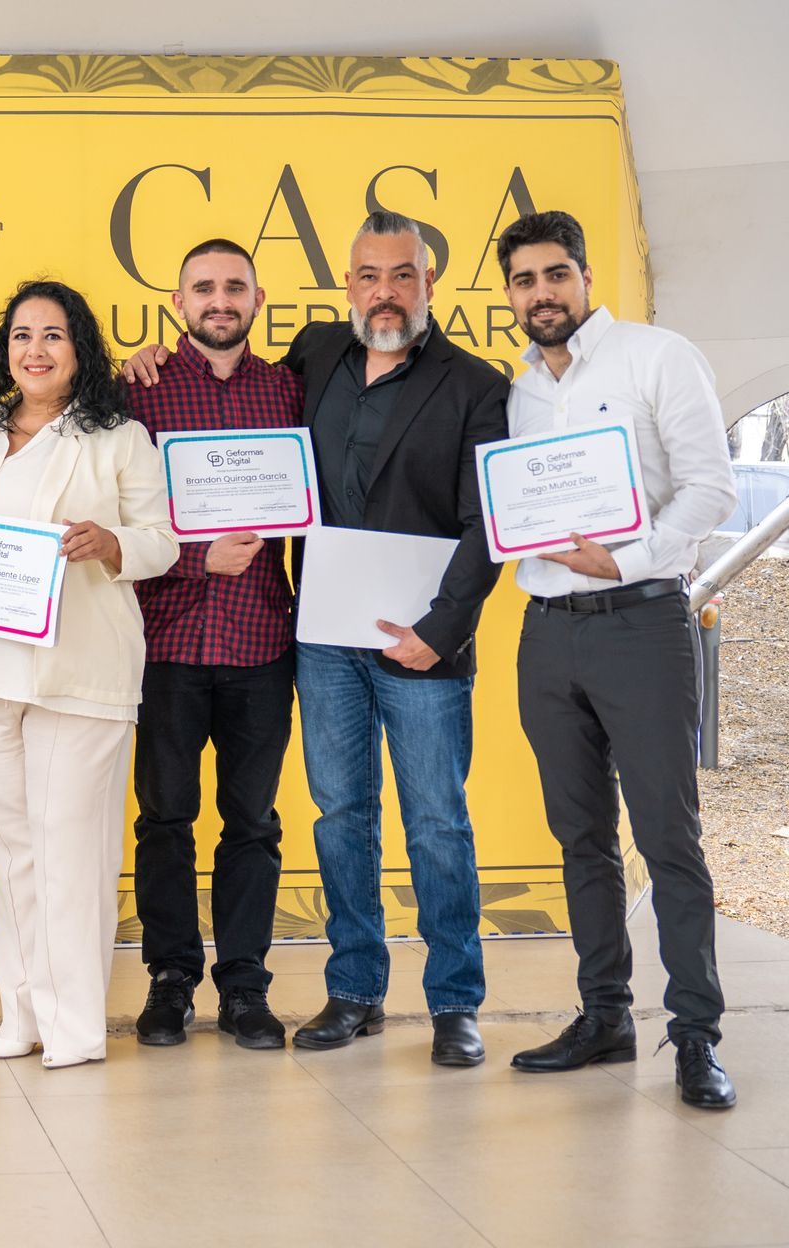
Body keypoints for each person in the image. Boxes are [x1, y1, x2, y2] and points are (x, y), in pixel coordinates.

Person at [125, 209, 510, 1067]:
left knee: (438, 822)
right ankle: (356, 991)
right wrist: (140, 358)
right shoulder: (317, 356)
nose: (385, 292)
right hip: (320, 639)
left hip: (418, 643)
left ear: (428, 284)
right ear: (347, 287)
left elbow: (490, 524)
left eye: (402, 275)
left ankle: (454, 1002)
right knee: (341, 817)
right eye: (369, 276)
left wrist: (439, 632)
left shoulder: (476, 385)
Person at [495, 212, 738, 1109]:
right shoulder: (515, 389)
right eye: (524, 281)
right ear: (511, 295)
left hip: (641, 623)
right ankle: (604, 1016)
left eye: (556, 275)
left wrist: (627, 558)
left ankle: (696, 1036)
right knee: (580, 837)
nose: (542, 294)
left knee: (669, 839)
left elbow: (710, 483)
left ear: (586, 277)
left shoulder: (656, 357)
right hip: (548, 633)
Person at [0, 279, 178, 1069]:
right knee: (14, 849)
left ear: (79, 349)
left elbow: (160, 540)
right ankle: (20, 1014)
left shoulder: (117, 437)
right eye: (22, 336)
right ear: (6, 351)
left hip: (77, 671)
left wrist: (111, 543)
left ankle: (76, 1030)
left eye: (53, 336)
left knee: (72, 850)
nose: (35, 350)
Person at [123, 239, 302, 1053]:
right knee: (164, 819)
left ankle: (245, 986)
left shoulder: (291, 390)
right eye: (203, 288)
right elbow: (121, 518)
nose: (219, 300)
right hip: (164, 641)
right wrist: (198, 556)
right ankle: (169, 981)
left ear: (259, 300)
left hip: (264, 639)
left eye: (235, 287)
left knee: (253, 823)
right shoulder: (140, 393)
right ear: (177, 302)